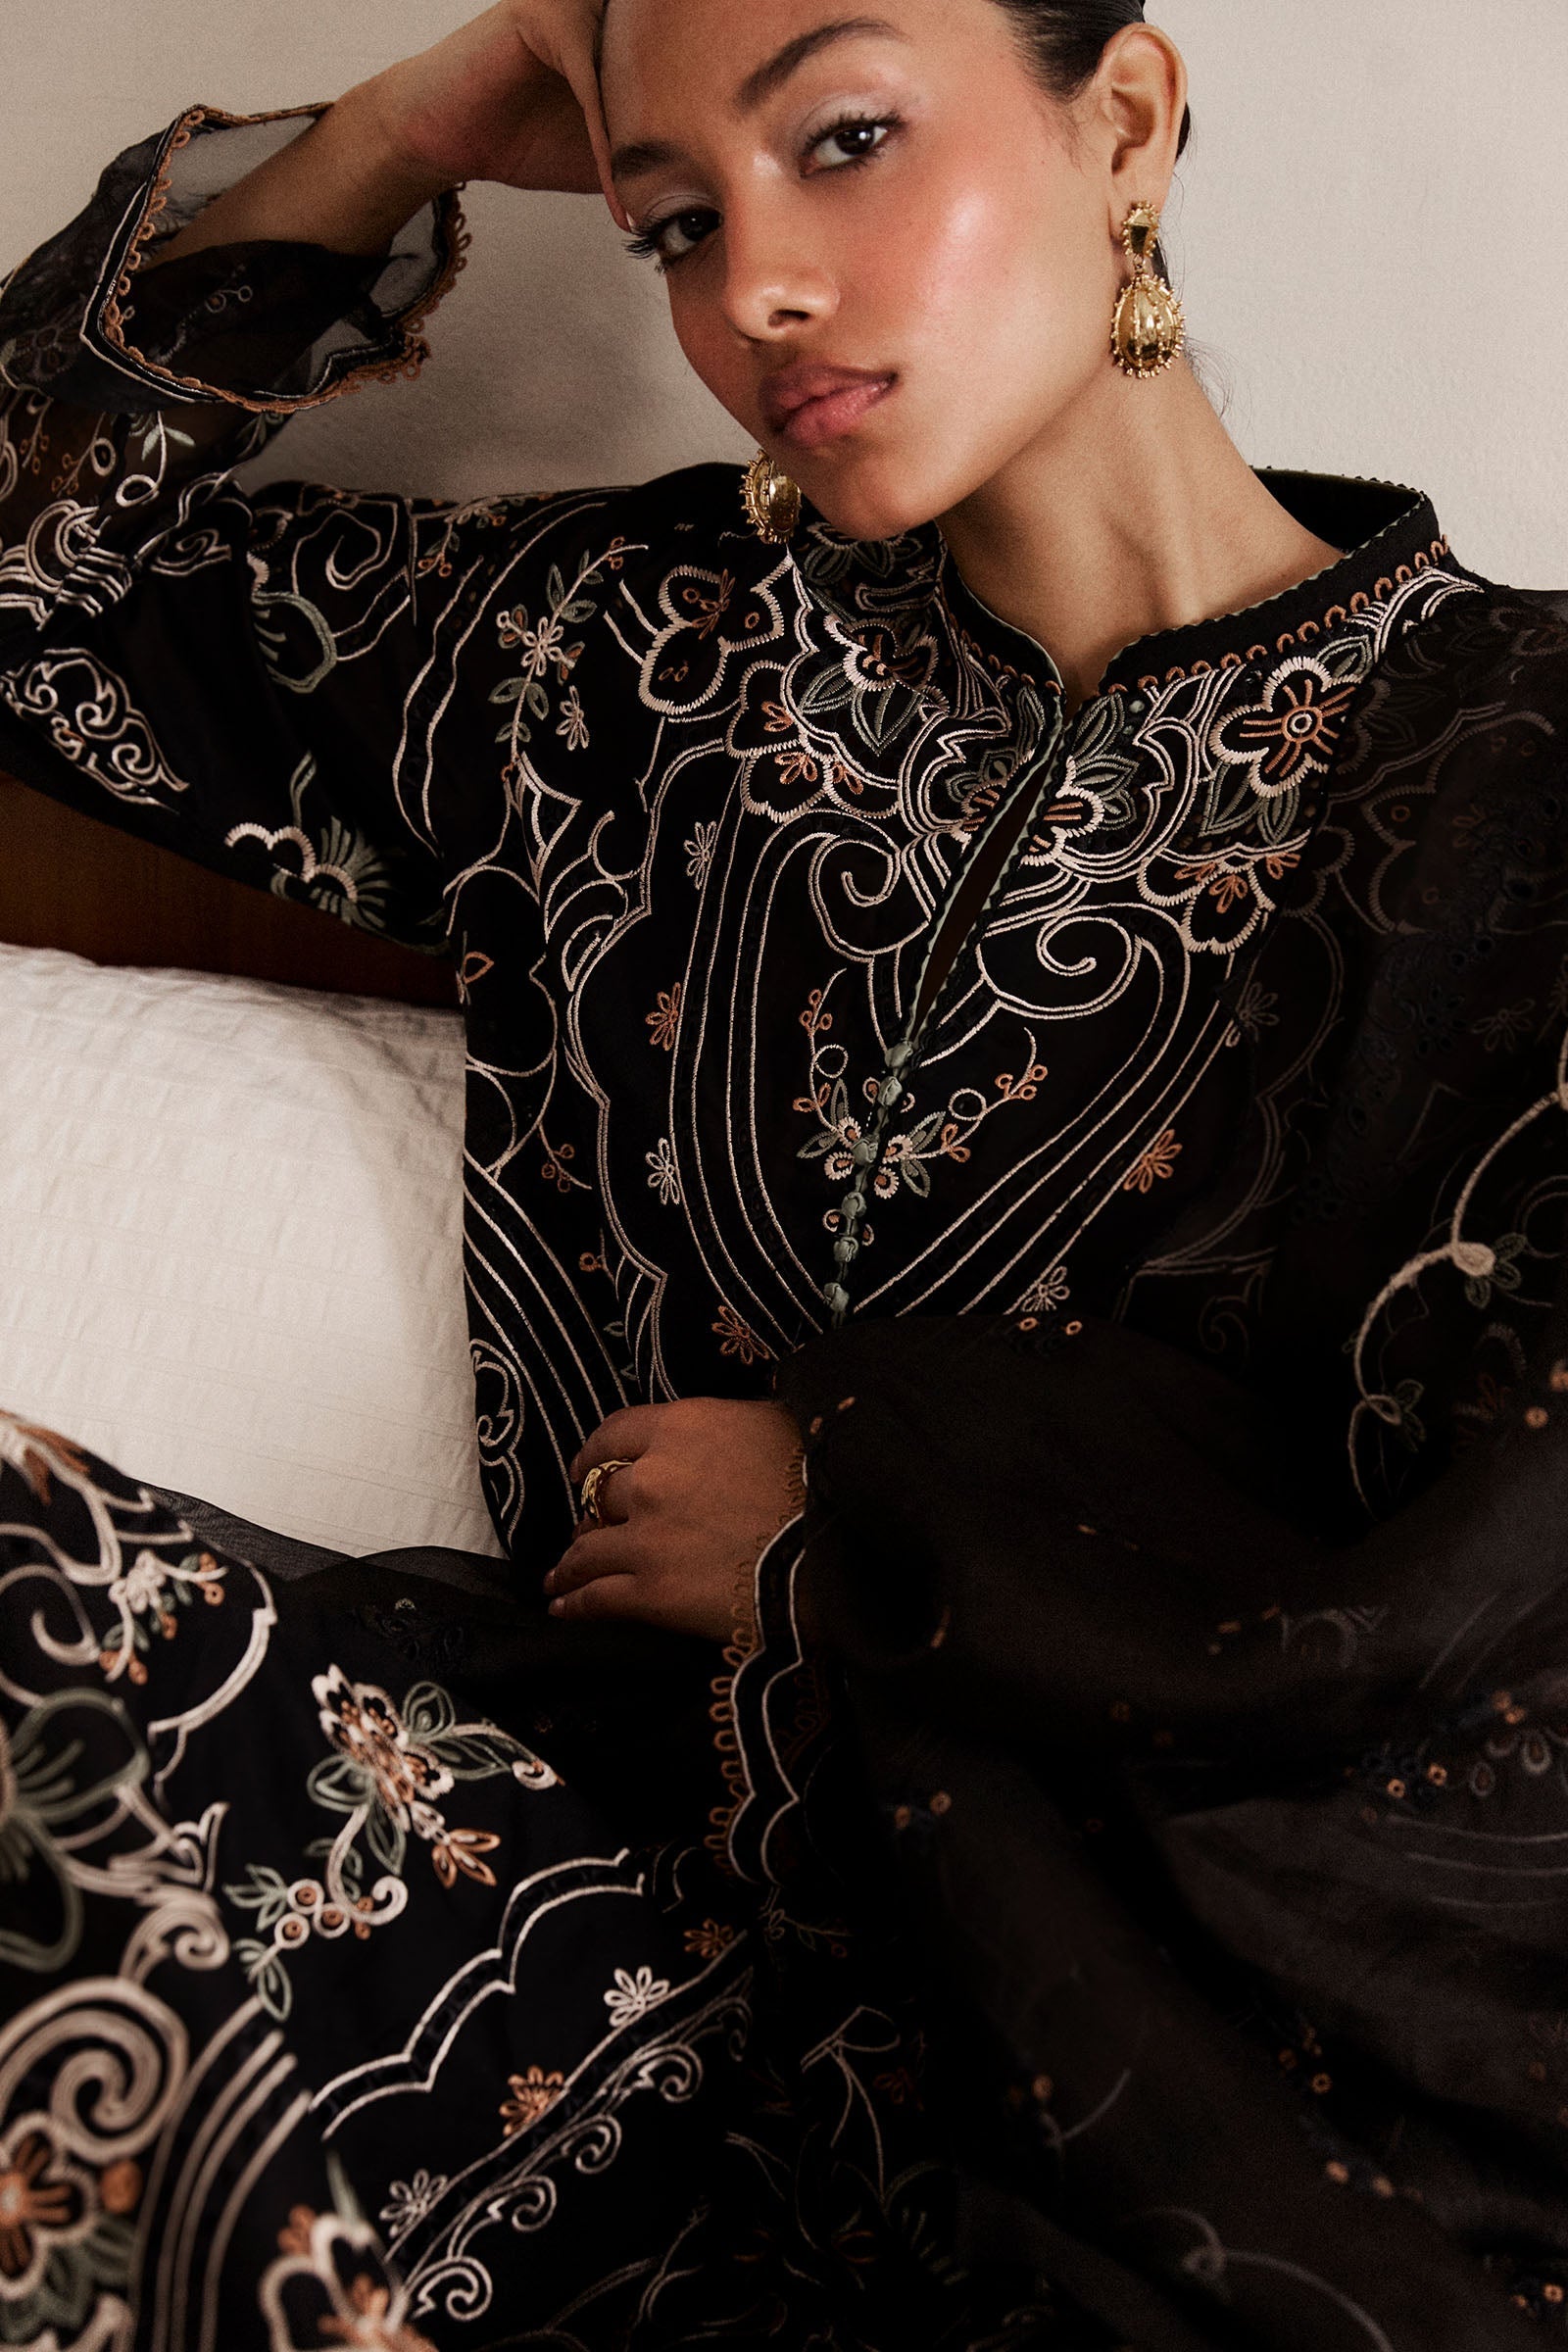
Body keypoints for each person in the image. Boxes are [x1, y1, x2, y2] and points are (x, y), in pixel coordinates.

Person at [1, 0, 1566, 2342]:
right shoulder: (608, 672)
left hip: (1146, 2061)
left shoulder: (1521, 789)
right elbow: (27, 582)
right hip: (527, 1925)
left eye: (841, 137)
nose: (754, 290)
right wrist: (413, 126)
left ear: (1123, 125)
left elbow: (1503, 1632)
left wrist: (866, 1554)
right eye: (669, 221)